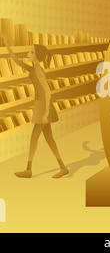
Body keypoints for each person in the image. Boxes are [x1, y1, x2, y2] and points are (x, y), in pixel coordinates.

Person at [2, 33, 69, 179]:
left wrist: (45, 113)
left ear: (37, 56)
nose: (28, 53)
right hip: (41, 105)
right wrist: (6, 43)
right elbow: (16, 62)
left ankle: (29, 170)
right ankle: (63, 167)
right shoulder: (33, 69)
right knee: (49, 139)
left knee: (34, 138)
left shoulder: (38, 70)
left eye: (31, 51)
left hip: (43, 107)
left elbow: (47, 91)